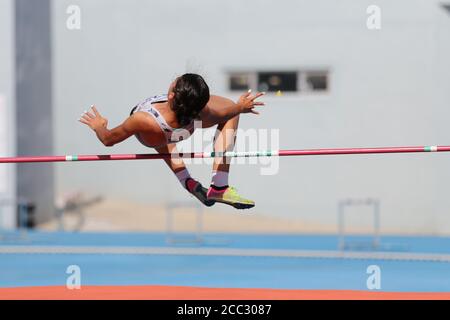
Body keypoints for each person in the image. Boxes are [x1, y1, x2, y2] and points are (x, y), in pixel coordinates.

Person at [79, 73, 265, 209]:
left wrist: (99, 125)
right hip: (187, 126)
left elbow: (108, 139)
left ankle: (187, 181)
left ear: (171, 95)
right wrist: (240, 107)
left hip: (155, 134)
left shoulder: (142, 120)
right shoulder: (201, 113)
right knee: (231, 111)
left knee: (162, 139)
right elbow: (229, 112)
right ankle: (219, 184)